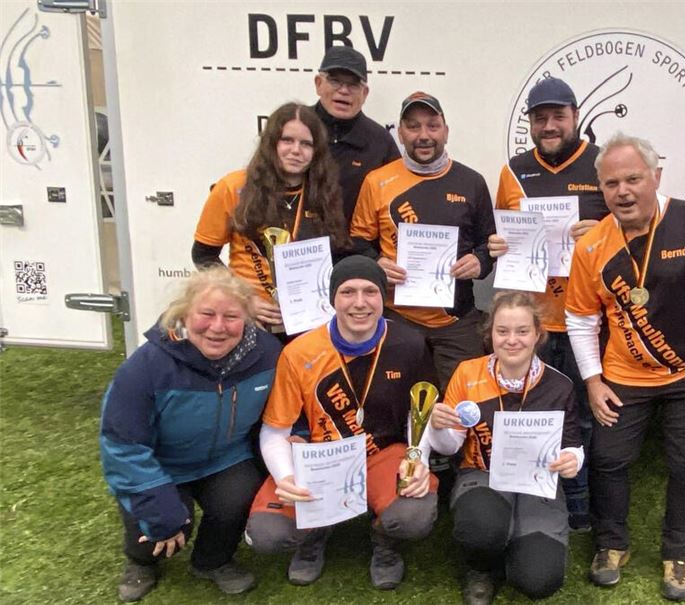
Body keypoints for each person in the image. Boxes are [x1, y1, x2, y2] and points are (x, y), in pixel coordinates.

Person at [565, 133, 685, 601]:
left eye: (633, 179)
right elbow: (581, 316)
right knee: (608, 460)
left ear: (656, 177)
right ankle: (611, 545)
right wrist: (591, 379)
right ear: (601, 191)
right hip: (622, 377)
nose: (623, 192)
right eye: (612, 184)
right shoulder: (593, 246)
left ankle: (679, 555)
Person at [245, 256, 438, 589]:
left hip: (380, 453)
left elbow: (421, 415)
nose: (359, 303)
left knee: (411, 516)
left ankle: (384, 540)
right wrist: (285, 477)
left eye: (370, 292)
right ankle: (314, 534)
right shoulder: (299, 351)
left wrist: (417, 460)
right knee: (268, 534)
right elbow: (275, 430)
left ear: (383, 297)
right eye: (348, 292)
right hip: (319, 458)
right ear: (332, 297)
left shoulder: (409, 343)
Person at [100, 266, 281, 602]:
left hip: (226, 458)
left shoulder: (269, 355)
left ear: (247, 320)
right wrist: (157, 504)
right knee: (167, 522)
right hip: (162, 464)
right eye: (206, 314)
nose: (217, 327)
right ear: (184, 313)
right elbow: (122, 445)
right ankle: (141, 562)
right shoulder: (146, 366)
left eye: (231, 316)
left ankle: (213, 560)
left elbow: (286, 407)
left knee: (236, 498)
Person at [488, 77, 608, 532]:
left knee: (583, 417)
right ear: (531, 125)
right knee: (529, 411)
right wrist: (497, 243)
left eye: (559, 116)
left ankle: (580, 507)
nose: (550, 125)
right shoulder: (513, 171)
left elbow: (632, 232)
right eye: (541, 118)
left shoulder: (599, 164)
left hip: (587, 317)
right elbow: (501, 234)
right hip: (532, 320)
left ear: (576, 116)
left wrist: (601, 229)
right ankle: (530, 492)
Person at [429, 291, 583, 605]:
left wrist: (572, 460)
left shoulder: (560, 385)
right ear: (491, 335)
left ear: (538, 335)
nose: (512, 340)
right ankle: (481, 568)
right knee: (481, 528)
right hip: (482, 473)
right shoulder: (467, 373)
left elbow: (572, 446)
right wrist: (438, 426)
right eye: (502, 331)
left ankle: (516, 546)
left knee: (539, 579)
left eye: (522, 331)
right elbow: (449, 446)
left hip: (537, 484)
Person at [350, 91, 496, 393]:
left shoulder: (472, 182)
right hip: (396, 316)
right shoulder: (377, 182)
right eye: (414, 127)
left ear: (446, 130)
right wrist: (376, 264)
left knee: (466, 407)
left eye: (432, 126)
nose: (424, 135)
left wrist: (480, 262)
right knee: (392, 402)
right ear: (400, 133)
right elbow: (358, 243)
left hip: (456, 322)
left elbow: (488, 245)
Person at [193, 102, 349, 333]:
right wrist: (242, 299)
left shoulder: (324, 193)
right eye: (287, 140)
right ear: (271, 143)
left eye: (306, 144)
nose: (296, 150)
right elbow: (203, 254)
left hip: (309, 319)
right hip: (252, 318)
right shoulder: (233, 187)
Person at [312, 46, 401, 222]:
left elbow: (399, 199)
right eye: (335, 81)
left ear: (365, 93)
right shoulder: (295, 129)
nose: (344, 90)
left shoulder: (381, 141)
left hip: (358, 247)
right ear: (318, 84)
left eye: (353, 84)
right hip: (299, 247)